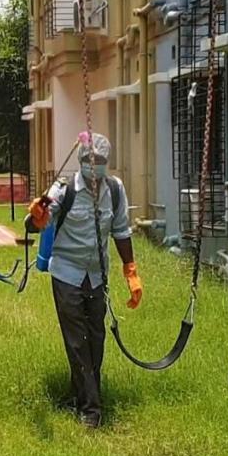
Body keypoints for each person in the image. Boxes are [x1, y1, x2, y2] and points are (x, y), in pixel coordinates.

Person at [26, 133, 143, 428]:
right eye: (90, 161)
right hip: (67, 272)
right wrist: (36, 216)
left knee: (97, 339)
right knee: (77, 341)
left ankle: (81, 394)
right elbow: (34, 225)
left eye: (101, 161)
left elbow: (121, 231)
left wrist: (131, 271)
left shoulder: (115, 190)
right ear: (79, 161)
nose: (95, 166)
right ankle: (92, 409)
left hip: (97, 275)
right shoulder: (63, 189)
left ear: (107, 163)